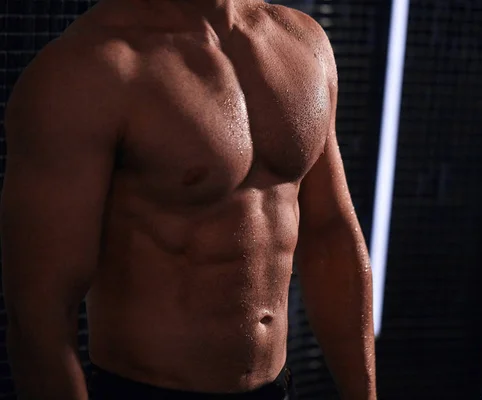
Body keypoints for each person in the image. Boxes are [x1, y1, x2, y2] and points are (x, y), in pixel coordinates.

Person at [1, 0, 376, 399]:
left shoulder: (303, 43)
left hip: (277, 388)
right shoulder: (89, 70)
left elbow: (330, 236)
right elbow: (38, 315)